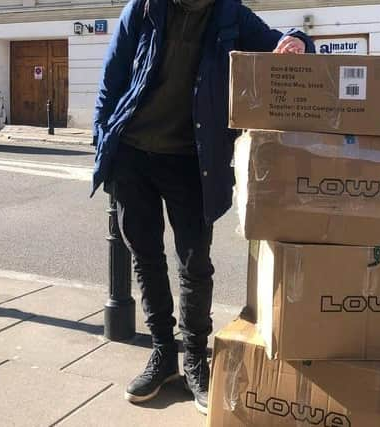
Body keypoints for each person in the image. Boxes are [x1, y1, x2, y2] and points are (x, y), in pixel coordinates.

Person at [92, 0, 315, 415]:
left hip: (192, 162)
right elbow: (112, 79)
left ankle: (195, 357)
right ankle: (163, 354)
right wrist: (105, 146)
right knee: (145, 257)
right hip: (133, 156)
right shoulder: (143, 9)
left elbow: (280, 45)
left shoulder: (230, 15)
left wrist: (297, 42)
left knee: (194, 262)